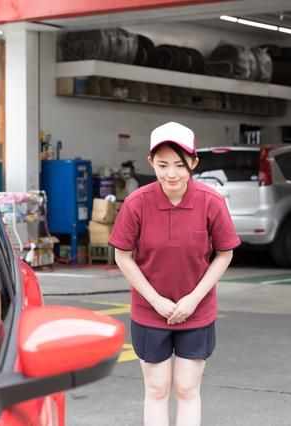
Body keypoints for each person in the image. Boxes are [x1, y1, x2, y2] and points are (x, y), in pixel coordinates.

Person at [108, 122, 240, 426]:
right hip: (149, 312)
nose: (171, 173)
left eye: (180, 165)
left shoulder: (211, 202)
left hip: (197, 312)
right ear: (151, 162)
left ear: (194, 162)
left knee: (187, 389)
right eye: (163, 164)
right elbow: (122, 256)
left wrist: (193, 299)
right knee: (156, 389)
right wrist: (156, 300)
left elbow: (224, 253)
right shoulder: (137, 203)